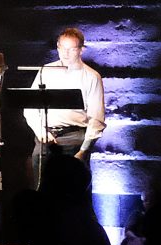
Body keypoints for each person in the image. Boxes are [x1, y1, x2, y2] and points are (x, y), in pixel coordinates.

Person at [24, 28, 107, 170]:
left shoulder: (91, 76)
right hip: (47, 139)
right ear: (57, 48)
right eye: (62, 48)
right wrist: (40, 131)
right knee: (43, 186)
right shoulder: (46, 71)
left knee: (72, 186)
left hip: (74, 139)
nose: (66, 53)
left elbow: (96, 118)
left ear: (81, 50)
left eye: (72, 49)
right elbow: (30, 108)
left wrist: (84, 150)